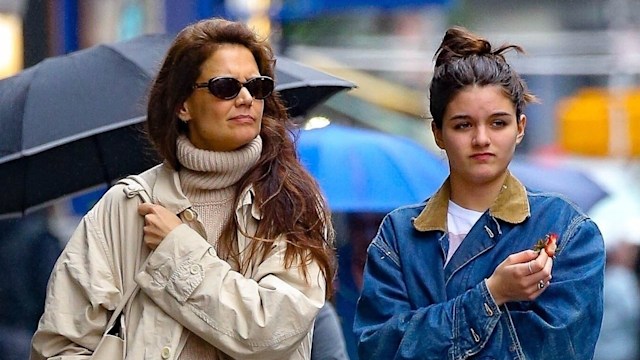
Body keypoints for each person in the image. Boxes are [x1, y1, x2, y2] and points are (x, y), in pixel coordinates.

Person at [31, 18, 335, 360]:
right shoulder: (125, 207)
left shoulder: (292, 204)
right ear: (183, 105)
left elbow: (270, 333)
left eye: (258, 86)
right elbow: (59, 346)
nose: (247, 98)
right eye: (225, 87)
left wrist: (177, 251)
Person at [353, 26, 605, 359]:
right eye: (463, 125)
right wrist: (492, 294)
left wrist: (427, 330)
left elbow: (557, 350)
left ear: (520, 128)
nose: (481, 139)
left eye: (498, 123)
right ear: (438, 133)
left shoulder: (567, 229)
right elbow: (378, 347)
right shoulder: (400, 235)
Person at [594, 237, 640, 360]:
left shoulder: (602, 277)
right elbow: (633, 312)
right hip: (620, 349)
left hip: (598, 349)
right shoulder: (623, 278)